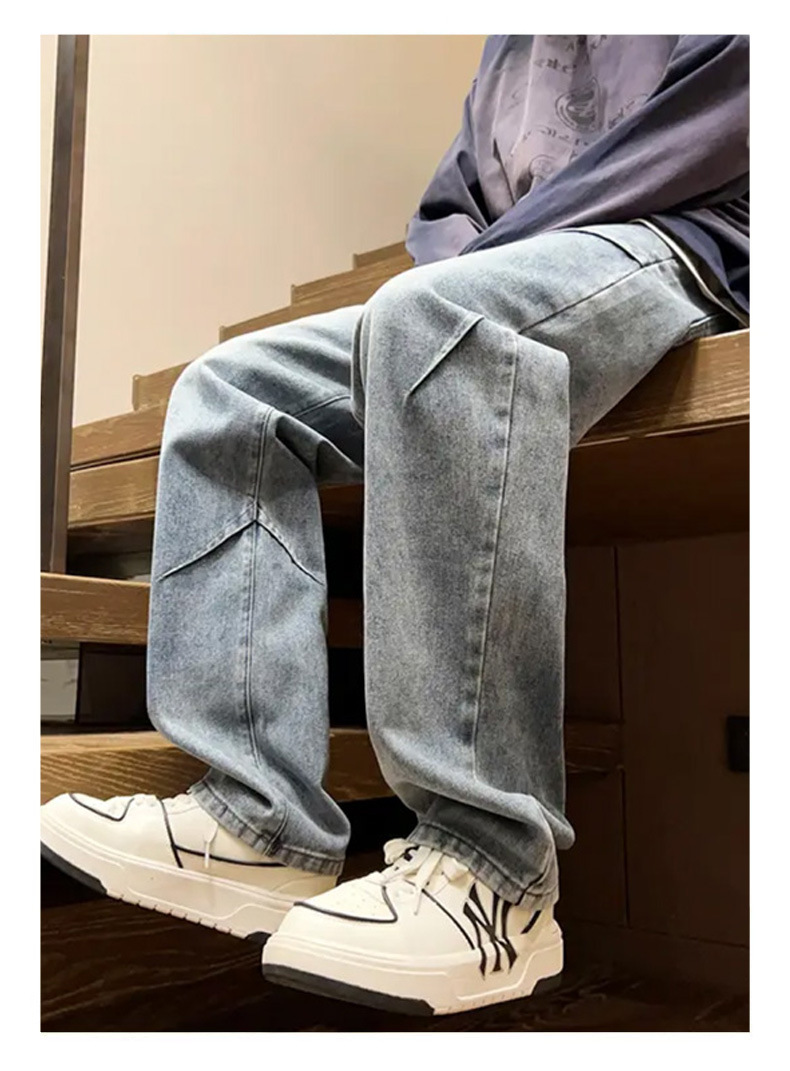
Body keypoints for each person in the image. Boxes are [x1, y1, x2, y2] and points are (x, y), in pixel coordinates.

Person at [41, 35, 749, 1017]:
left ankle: (495, 871)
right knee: (226, 392)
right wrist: (465, 275)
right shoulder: (510, 46)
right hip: (517, 262)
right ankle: (257, 820)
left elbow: (722, 117)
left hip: (681, 240)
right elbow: (448, 202)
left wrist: (481, 270)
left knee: (435, 319)